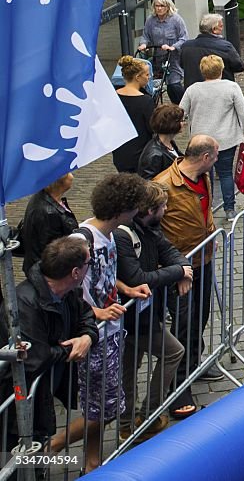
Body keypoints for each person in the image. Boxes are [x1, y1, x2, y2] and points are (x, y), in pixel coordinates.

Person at [52, 173, 148, 473]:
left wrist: (126, 289)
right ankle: (51, 447)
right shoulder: (82, 239)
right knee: (103, 408)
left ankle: (91, 462)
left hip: (111, 332)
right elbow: (63, 289)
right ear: (124, 208)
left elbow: (103, 275)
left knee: (104, 405)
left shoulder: (109, 235)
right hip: (92, 335)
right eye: (136, 207)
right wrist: (96, 314)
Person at [0, 237, 96, 452]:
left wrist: (87, 337)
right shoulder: (25, 303)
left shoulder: (68, 291)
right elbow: (35, 356)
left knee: (37, 448)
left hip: (43, 391)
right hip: (17, 397)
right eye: (89, 264)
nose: (90, 268)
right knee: (16, 455)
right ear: (75, 272)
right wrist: (71, 349)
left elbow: (86, 315)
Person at [114, 181, 191, 442]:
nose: (167, 210)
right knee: (170, 353)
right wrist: (178, 272)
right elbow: (137, 277)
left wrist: (183, 269)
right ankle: (141, 418)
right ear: (149, 209)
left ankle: (136, 420)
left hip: (146, 314)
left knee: (130, 367)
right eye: (163, 206)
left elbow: (169, 250)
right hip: (129, 317)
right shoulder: (123, 236)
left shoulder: (150, 227)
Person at [155, 135, 218, 418]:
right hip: (180, 269)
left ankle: (193, 366)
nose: (217, 159)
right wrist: (179, 269)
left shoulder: (203, 176)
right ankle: (177, 387)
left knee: (200, 316)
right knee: (183, 324)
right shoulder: (164, 184)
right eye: (216, 155)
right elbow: (155, 234)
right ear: (205, 157)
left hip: (203, 260)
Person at [179, 54, 244, 222]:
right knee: (225, 173)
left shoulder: (193, 89)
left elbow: (181, 112)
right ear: (221, 70)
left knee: (204, 174)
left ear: (202, 71)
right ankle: (229, 209)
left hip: (200, 141)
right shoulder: (231, 87)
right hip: (226, 139)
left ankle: (208, 208)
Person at [19, 172, 78, 275]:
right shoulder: (48, 213)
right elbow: (53, 253)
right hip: (51, 276)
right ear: (59, 182)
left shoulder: (47, 199)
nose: (71, 175)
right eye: (68, 173)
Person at [138, 0, 188, 103]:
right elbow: (145, 36)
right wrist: (143, 44)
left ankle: (182, 107)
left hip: (173, 58)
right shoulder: (150, 20)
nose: (159, 8)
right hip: (157, 58)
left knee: (173, 85)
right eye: (157, 6)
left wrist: (172, 47)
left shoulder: (176, 20)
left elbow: (184, 38)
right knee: (150, 86)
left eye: (162, 6)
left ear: (168, 6)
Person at [113, 55, 155, 173]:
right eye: (147, 74)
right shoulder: (145, 101)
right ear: (137, 77)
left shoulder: (114, 97)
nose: (149, 77)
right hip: (140, 151)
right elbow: (152, 127)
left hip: (120, 150)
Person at [180, 14, 244, 89]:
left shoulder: (186, 47)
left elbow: (182, 65)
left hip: (193, 91)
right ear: (214, 29)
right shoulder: (225, 47)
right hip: (220, 90)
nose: (222, 28)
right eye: (221, 26)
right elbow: (239, 66)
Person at [137, 104, 186, 180]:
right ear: (172, 124)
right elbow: (148, 183)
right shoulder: (155, 155)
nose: (184, 123)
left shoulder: (170, 143)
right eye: (181, 121)